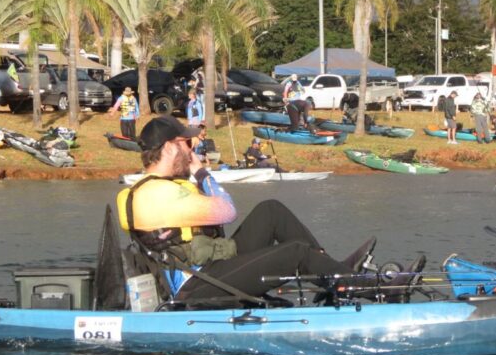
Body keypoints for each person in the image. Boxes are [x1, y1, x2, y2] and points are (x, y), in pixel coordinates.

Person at [116, 116, 379, 303]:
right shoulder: (159, 194)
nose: (193, 149)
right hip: (197, 284)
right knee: (295, 252)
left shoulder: (156, 188)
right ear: (171, 147)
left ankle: (334, 273)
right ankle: (353, 284)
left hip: (209, 268)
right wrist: (203, 174)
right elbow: (227, 211)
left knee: (270, 211)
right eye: (188, 144)